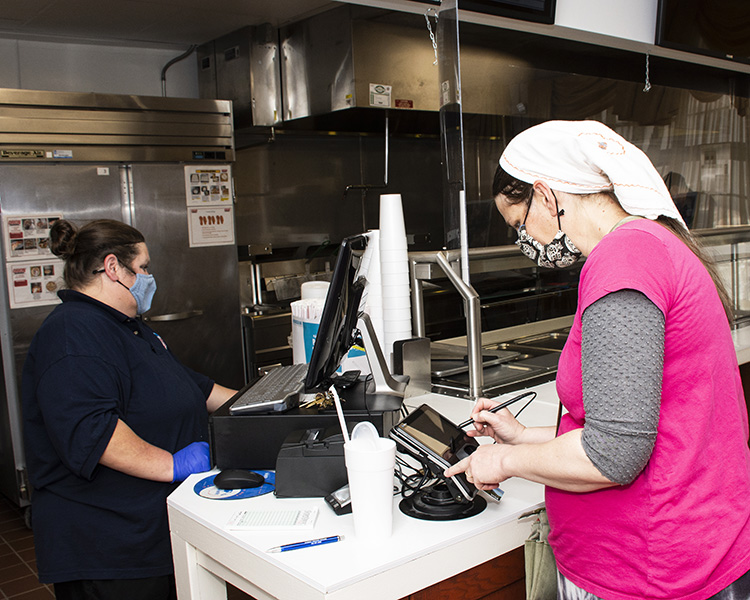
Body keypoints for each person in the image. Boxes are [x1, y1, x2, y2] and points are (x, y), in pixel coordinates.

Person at [444, 120, 750, 599]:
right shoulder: (649, 245)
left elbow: (614, 455)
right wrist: (524, 435)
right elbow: (641, 424)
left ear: (546, 197)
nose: (526, 242)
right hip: (679, 550)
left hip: (651, 569)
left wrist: (504, 459)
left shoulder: (625, 261)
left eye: (519, 225)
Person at [22, 219, 237, 600]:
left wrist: (264, 401)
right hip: (109, 547)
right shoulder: (72, 333)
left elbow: (193, 387)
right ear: (112, 268)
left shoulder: (128, 327)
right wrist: (172, 465)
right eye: (144, 268)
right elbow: (92, 430)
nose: (149, 277)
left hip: (148, 530)